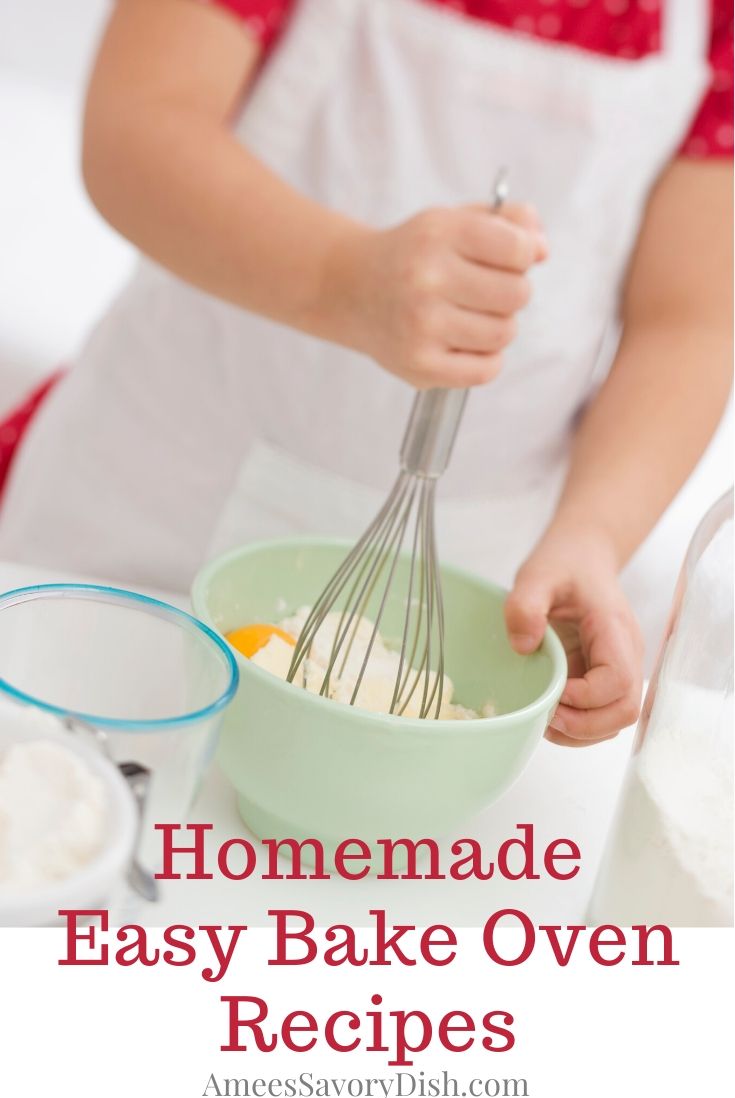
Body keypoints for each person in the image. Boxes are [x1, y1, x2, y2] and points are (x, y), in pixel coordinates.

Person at [0, 0, 731, 747]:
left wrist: (592, 536)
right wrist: (343, 281)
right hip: (154, 501)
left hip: (466, 580)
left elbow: (685, 323)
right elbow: (137, 130)